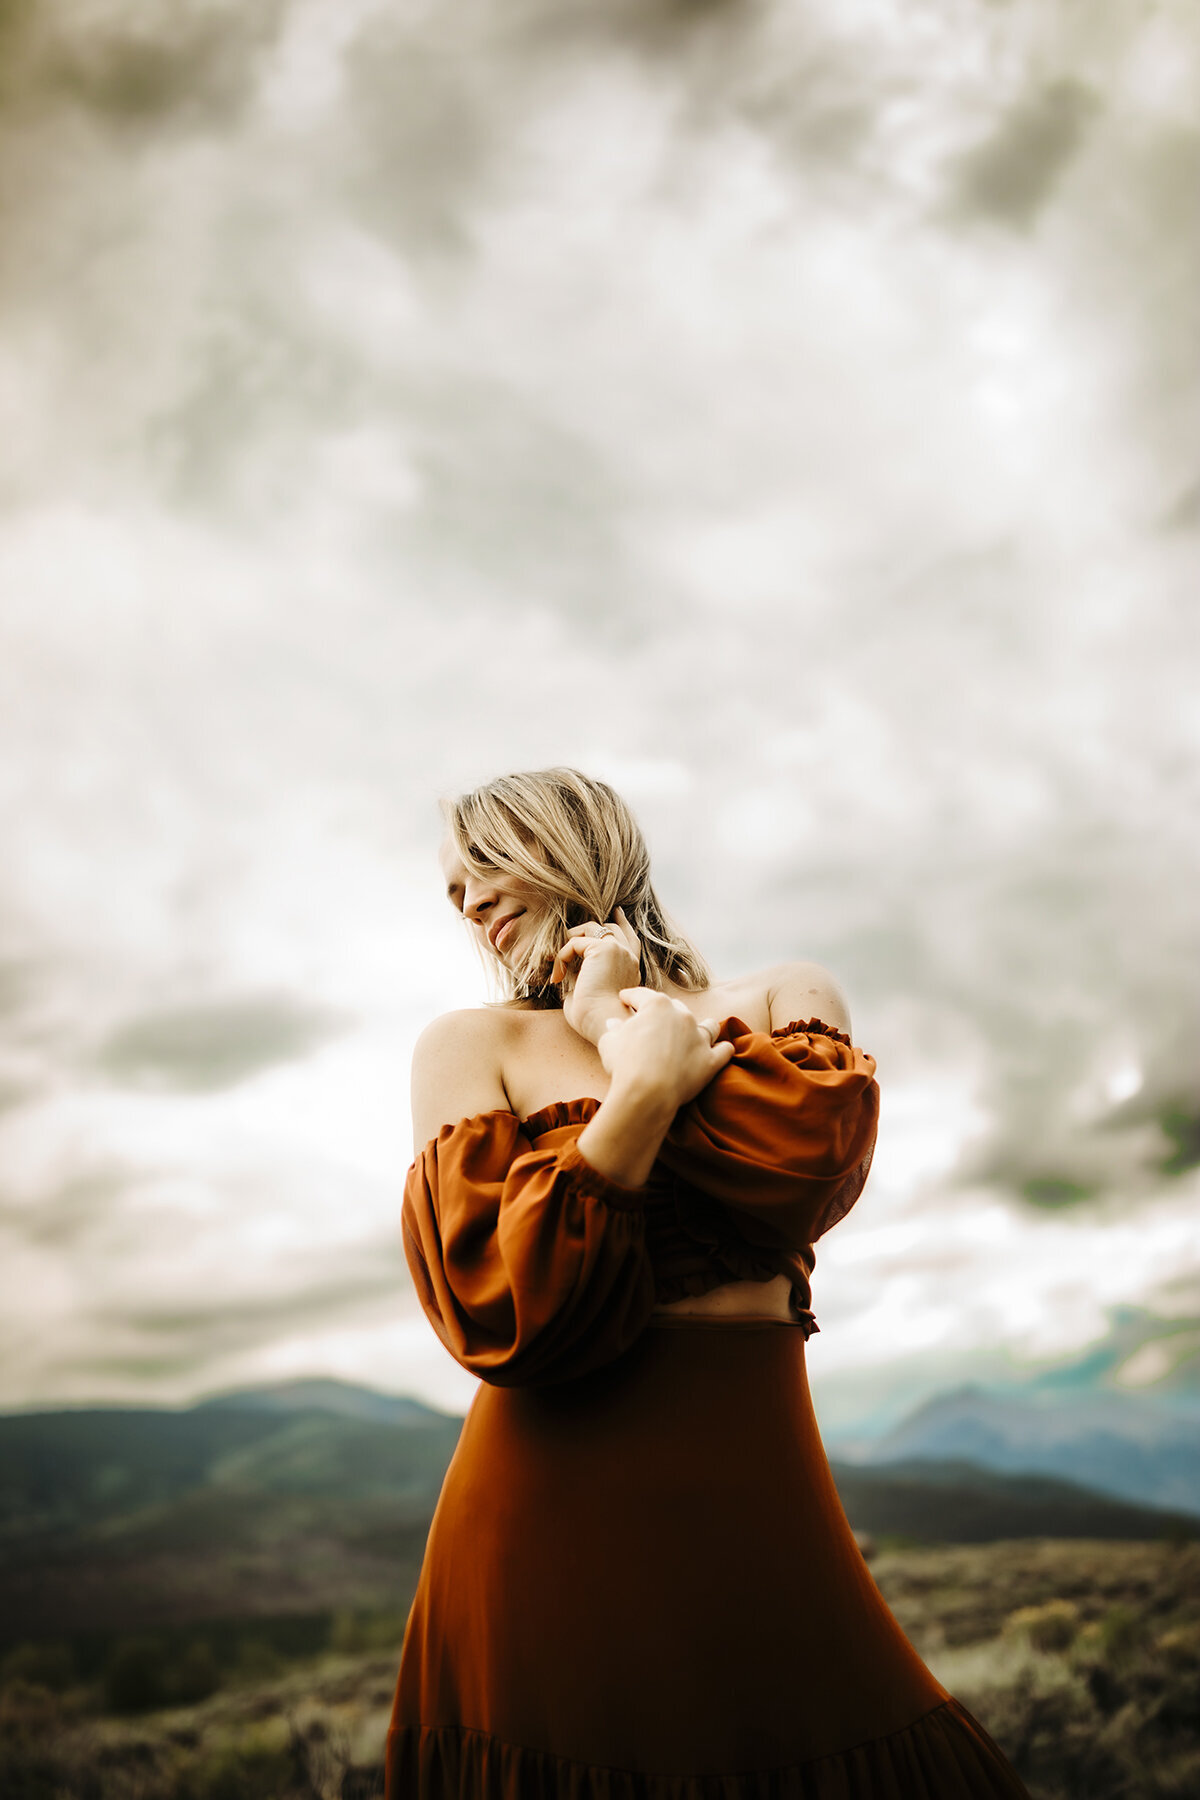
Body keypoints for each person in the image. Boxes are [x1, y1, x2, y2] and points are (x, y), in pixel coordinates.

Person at [385, 767, 1031, 1799]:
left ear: (565, 842)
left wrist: (613, 1026)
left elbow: (806, 1168)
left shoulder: (783, 998)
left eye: (480, 866)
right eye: (450, 890)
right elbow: (500, 1312)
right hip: (540, 1514)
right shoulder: (472, 1046)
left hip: (760, 1495)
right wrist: (639, 1082)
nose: (465, 903)